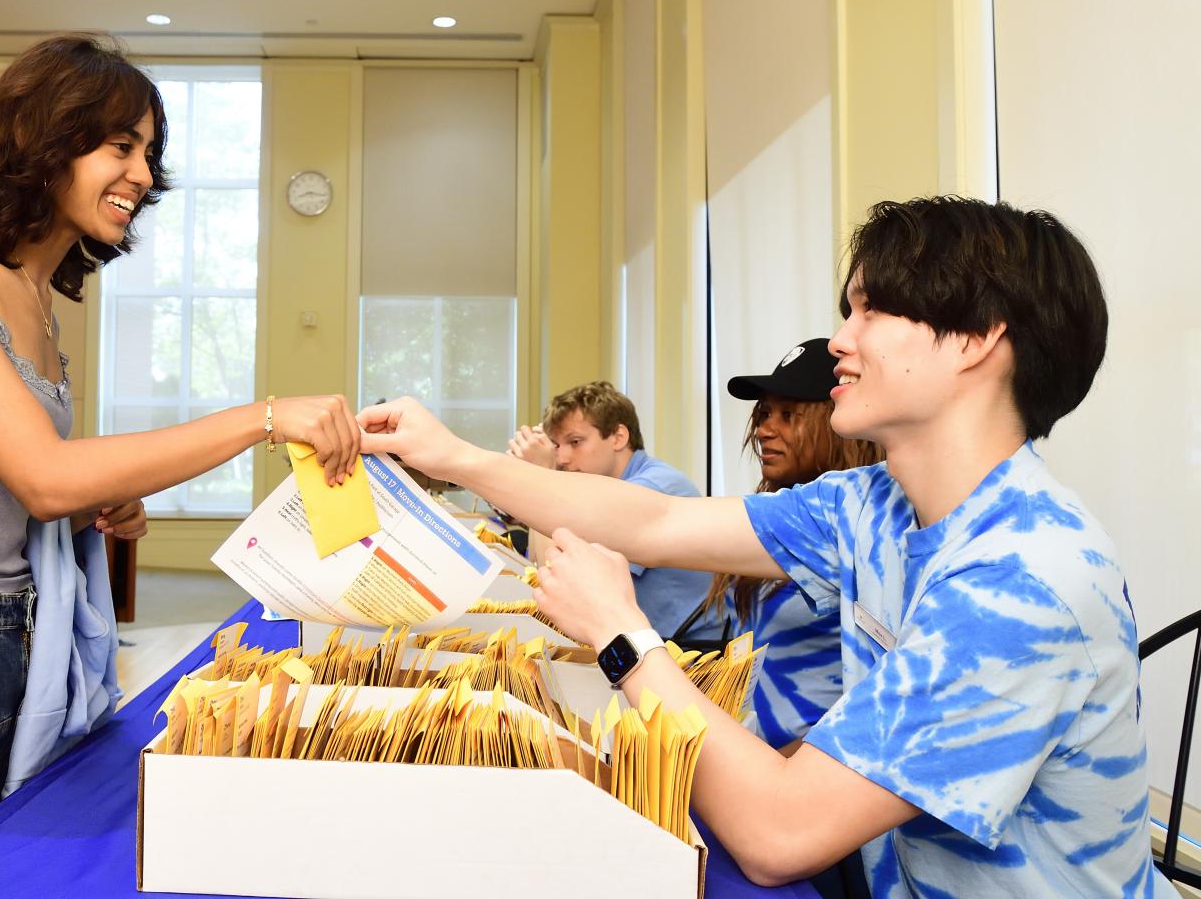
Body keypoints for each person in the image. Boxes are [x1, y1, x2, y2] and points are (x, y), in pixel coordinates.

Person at [358, 196, 1176, 898]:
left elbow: (780, 832)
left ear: (975, 341)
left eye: (870, 311)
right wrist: (454, 457)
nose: (840, 342)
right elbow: (653, 524)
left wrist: (621, 636)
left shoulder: (1024, 578)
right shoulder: (874, 502)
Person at [0, 34, 360, 813]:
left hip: (11, 638)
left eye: (150, 153)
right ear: (41, 138)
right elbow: (43, 477)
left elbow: (23, 479)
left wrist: (104, 500)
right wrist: (263, 416)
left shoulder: (38, 297)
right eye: (120, 145)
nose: (143, 175)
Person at [679, 338, 882, 753]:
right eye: (764, 413)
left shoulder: (864, 531)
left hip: (811, 772)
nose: (764, 429)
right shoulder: (773, 514)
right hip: (749, 753)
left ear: (835, 422)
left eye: (788, 415)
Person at [506, 381, 719, 641]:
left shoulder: (650, 487)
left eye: (575, 442)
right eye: (558, 446)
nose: (562, 459)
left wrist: (540, 479)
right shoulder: (612, 488)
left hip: (690, 653)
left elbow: (560, 578)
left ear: (618, 437)